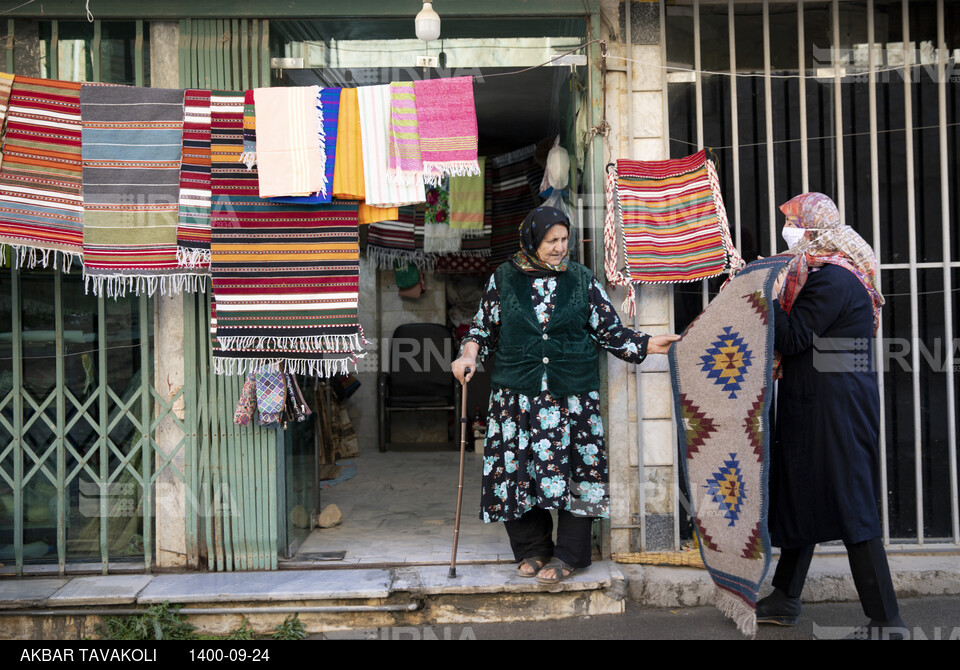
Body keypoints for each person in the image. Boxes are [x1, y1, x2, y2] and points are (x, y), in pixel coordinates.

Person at [451, 206, 678, 584]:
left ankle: (570, 555)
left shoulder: (581, 280)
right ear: (532, 240)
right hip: (517, 398)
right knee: (518, 473)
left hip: (570, 398)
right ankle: (532, 549)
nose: (560, 247)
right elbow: (482, 329)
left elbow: (609, 330)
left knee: (577, 474)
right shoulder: (504, 279)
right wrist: (467, 355)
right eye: (551, 240)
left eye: (564, 239)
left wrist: (651, 343)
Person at [759, 192, 906, 636]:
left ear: (814, 228)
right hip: (825, 403)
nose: (789, 231)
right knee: (805, 495)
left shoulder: (832, 280)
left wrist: (762, 297)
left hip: (834, 411)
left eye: (794, 223)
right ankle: (785, 599)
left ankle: (886, 621)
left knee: (853, 508)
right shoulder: (833, 272)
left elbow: (796, 338)